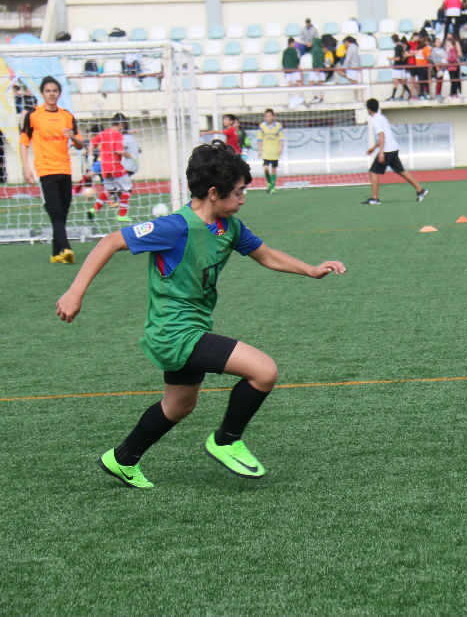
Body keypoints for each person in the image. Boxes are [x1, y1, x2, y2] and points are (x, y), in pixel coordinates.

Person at [56, 141, 345, 488]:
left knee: (178, 405)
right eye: (238, 193)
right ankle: (226, 440)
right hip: (174, 334)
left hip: (192, 329)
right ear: (213, 192)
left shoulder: (228, 227)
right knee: (264, 371)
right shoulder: (175, 227)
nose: (242, 199)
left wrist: (311, 270)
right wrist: (76, 292)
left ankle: (122, 459)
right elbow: (110, 241)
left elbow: (266, 255)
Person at [18, 76, 84, 264]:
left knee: (63, 211)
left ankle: (55, 253)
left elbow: (80, 144)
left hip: (65, 169)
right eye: (48, 91)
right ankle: (66, 249)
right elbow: (24, 143)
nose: (52, 94)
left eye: (55, 91)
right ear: (42, 93)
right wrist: (26, 169)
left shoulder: (67, 116)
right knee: (55, 211)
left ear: (59, 93)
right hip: (45, 171)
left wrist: (74, 137)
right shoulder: (34, 116)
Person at [361, 98, 428, 205]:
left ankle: (375, 198)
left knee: (373, 171)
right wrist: (374, 148)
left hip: (387, 150)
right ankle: (420, 190)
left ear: (369, 109)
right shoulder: (382, 117)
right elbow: (385, 135)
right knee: (401, 171)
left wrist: (381, 152)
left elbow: (382, 135)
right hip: (393, 148)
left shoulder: (375, 119)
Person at [88, 113, 133, 222]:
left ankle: (94, 209)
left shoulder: (104, 133)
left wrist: (90, 155)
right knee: (127, 188)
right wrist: (129, 155)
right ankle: (122, 215)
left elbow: (92, 143)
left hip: (105, 167)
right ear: (122, 124)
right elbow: (119, 151)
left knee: (109, 190)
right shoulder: (117, 134)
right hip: (116, 166)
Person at [256, 109, 284, 194]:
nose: (268, 118)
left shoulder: (278, 126)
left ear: (273, 116)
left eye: (269, 116)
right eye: (266, 116)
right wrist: (259, 150)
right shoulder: (262, 126)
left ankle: (272, 187)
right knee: (266, 168)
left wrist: (280, 147)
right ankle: (269, 182)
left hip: (275, 151)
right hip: (266, 151)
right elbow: (260, 139)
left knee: (274, 169)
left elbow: (281, 138)